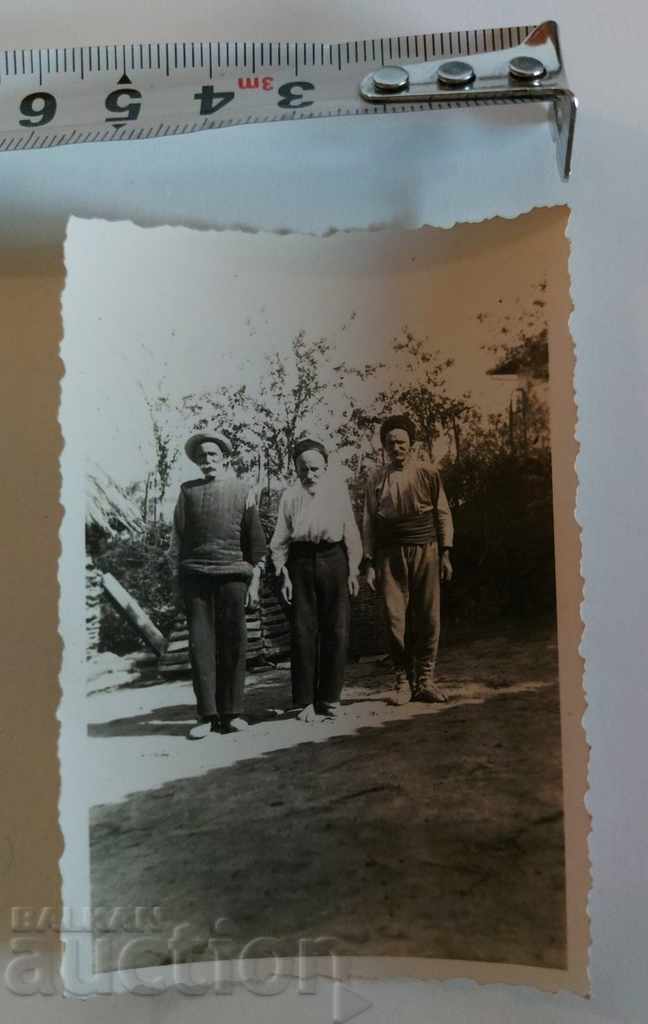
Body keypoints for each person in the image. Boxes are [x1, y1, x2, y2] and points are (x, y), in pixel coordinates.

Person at [168, 431, 267, 739]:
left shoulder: (243, 490)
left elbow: (257, 543)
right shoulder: (187, 492)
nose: (207, 461)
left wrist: (254, 581)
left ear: (224, 457)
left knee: (234, 645)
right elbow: (176, 541)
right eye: (202, 457)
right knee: (201, 647)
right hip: (196, 579)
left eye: (213, 455)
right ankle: (207, 716)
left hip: (233, 578)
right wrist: (176, 578)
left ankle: (232, 713)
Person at [363, 414, 453, 705]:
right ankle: (402, 680)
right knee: (393, 619)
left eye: (402, 442)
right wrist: (368, 561)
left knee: (428, 616)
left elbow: (442, 513)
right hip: (389, 554)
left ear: (412, 445)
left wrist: (445, 553)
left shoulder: (429, 473)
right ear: (384, 447)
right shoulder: (376, 478)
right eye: (391, 443)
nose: (396, 448)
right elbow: (368, 521)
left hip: (426, 548)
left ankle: (426, 679)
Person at [270, 437, 362, 722]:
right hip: (300, 564)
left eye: (315, 469)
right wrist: (282, 573)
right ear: (296, 469)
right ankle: (304, 701)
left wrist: (354, 569)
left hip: (334, 560)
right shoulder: (290, 495)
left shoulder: (337, 491)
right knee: (302, 632)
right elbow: (279, 541)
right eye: (303, 470)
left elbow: (351, 532)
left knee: (337, 630)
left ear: (325, 467)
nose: (309, 475)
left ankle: (330, 698)